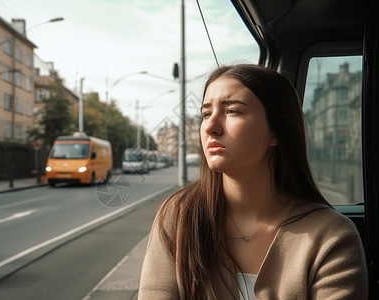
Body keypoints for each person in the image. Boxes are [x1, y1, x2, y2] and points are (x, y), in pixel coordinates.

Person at [138, 64, 368, 299]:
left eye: (232, 111)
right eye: (206, 114)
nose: (210, 127)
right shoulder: (178, 217)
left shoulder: (331, 236)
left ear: (276, 131)